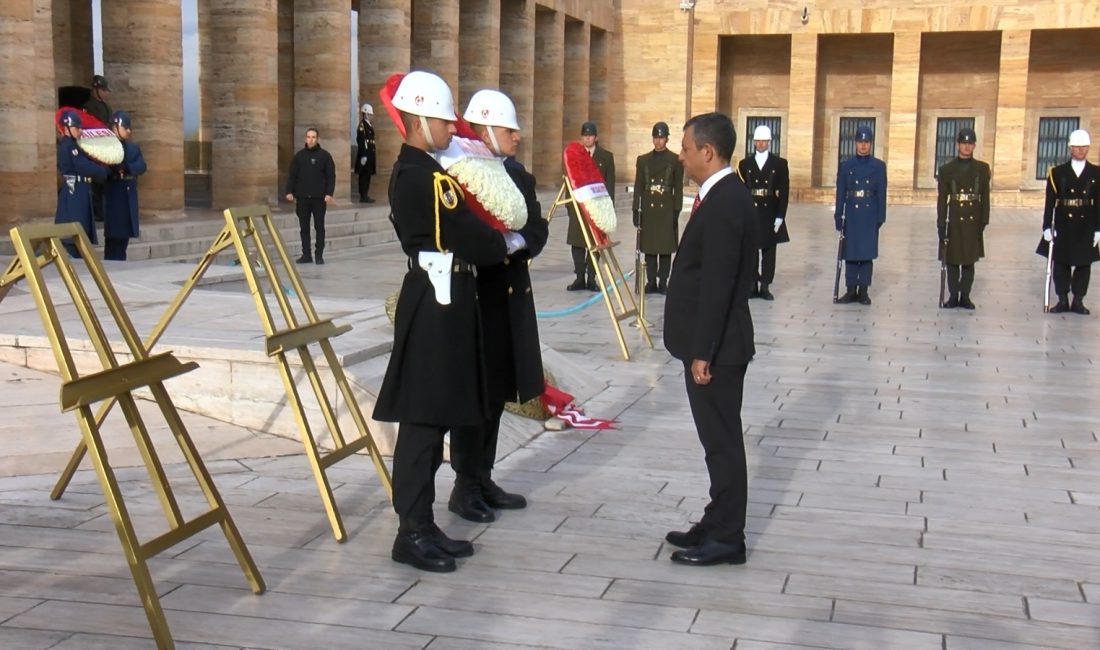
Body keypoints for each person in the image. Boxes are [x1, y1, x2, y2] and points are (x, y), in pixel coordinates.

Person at [371, 70, 513, 573]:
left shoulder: (425, 171)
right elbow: (472, 238)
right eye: (443, 121)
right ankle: (411, 531)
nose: (453, 130)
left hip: (444, 296)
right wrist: (503, 243)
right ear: (416, 121)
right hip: (437, 299)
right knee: (423, 421)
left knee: (434, 419)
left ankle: (423, 524)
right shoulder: (427, 179)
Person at [446, 89, 549, 523]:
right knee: (476, 397)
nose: (518, 136)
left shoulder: (519, 176)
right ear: (487, 129)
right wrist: (500, 244)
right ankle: (464, 484)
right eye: (510, 129)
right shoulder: (460, 174)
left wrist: (517, 241)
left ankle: (484, 476)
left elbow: (539, 229)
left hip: (509, 297)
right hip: (477, 299)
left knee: (498, 396)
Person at [663, 112, 757, 567]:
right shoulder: (718, 196)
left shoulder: (726, 202)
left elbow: (719, 283)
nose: (679, 156)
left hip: (718, 348)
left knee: (721, 441)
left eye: (684, 148)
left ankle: (727, 536)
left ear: (707, 151)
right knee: (715, 440)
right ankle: (717, 517)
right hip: (711, 342)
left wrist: (704, 350)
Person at [1037, 128, 1100, 314]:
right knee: (1061, 262)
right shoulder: (1057, 172)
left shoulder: (1096, 173)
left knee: (1083, 264)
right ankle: (1062, 299)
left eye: (1084, 147)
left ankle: (1078, 300)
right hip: (1064, 223)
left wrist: (1098, 229)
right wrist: (1047, 226)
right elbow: (1050, 202)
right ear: (1070, 148)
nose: (1080, 150)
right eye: (1077, 147)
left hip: (1086, 223)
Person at [937, 127, 990, 309]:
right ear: (957, 144)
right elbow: (942, 201)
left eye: (970, 143)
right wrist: (941, 225)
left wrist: (983, 221)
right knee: (952, 260)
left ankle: (965, 295)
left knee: (969, 261)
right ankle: (953, 295)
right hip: (955, 220)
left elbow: (985, 197)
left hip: (973, 219)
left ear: (974, 145)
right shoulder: (946, 170)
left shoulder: (982, 169)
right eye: (963, 143)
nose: (966, 147)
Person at [834, 126, 887, 305]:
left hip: (869, 212)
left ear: (870, 144)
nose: (863, 146)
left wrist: (881, 216)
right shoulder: (846, 166)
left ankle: (863, 290)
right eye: (860, 142)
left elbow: (881, 193)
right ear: (855, 143)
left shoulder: (878, 166)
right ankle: (850, 289)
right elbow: (841, 192)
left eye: (866, 142)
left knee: (866, 254)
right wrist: (838, 215)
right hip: (852, 213)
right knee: (850, 253)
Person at [737, 125, 790, 300]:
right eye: (758, 141)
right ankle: (752, 283)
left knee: (768, 250)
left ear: (769, 142)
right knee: (751, 249)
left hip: (770, 209)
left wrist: (780, 216)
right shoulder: (745, 164)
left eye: (763, 141)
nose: (760, 144)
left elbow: (784, 191)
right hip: (752, 209)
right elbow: (742, 190)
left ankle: (765, 284)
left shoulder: (779, 164)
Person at [632, 121, 684, 294]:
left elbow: (678, 188)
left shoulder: (675, 160)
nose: (658, 141)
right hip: (649, 208)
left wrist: (677, 210)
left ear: (667, 138)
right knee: (650, 248)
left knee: (665, 248)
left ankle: (663, 281)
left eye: (661, 137)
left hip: (666, 207)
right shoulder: (643, 160)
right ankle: (651, 280)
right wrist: (635, 209)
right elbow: (638, 186)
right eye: (656, 137)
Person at [566, 121, 615, 291]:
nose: (587, 138)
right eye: (585, 136)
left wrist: (608, 210)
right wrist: (570, 208)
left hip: (597, 209)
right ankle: (579, 277)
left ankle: (592, 278)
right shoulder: (574, 156)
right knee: (577, 244)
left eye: (590, 135)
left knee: (594, 245)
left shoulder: (606, 157)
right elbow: (568, 183)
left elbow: (610, 185)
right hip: (579, 208)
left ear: (596, 137)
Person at [54, 110, 107, 258]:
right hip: (74, 190)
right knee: (73, 232)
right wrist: (102, 171)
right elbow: (81, 165)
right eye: (77, 128)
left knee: (79, 231)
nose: (80, 130)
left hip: (80, 190)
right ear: (66, 128)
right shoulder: (68, 146)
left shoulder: (75, 145)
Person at [284, 127, 335, 264]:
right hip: (302, 198)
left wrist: (329, 193)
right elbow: (292, 176)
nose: (311, 139)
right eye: (308, 137)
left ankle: (319, 255)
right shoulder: (299, 156)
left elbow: (331, 176)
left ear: (317, 139)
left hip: (319, 198)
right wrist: (289, 191)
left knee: (319, 227)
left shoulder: (325, 156)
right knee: (304, 228)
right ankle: (306, 254)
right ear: (305, 138)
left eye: (313, 137)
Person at [102, 111, 147, 261]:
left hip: (128, 192)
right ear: (115, 127)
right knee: (114, 238)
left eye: (129, 128)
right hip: (115, 193)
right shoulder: (106, 147)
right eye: (125, 127)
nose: (129, 131)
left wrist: (126, 167)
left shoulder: (133, 148)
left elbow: (141, 166)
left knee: (124, 239)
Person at [83, 75, 112, 224]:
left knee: (104, 181)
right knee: (95, 183)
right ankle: (96, 212)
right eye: (103, 90)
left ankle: (102, 211)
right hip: (95, 147)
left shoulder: (106, 106)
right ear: (96, 89)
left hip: (105, 147)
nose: (106, 93)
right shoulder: (89, 106)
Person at [355, 103, 377, 203]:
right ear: (366, 114)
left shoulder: (368, 125)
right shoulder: (362, 126)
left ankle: (366, 194)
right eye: (370, 114)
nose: (372, 116)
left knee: (367, 175)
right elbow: (361, 140)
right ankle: (363, 195)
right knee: (363, 176)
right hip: (365, 154)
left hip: (369, 154)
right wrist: (364, 155)